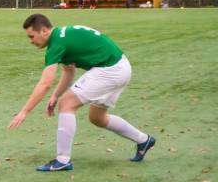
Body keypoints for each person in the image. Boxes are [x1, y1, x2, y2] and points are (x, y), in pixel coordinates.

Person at [8, 14, 156, 172]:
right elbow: (69, 71)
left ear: (44, 31)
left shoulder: (57, 43)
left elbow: (45, 83)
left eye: (32, 36)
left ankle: (62, 160)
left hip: (110, 69)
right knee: (97, 118)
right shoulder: (62, 36)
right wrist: (56, 95)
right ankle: (143, 140)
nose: (31, 41)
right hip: (120, 67)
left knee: (66, 104)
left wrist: (24, 112)